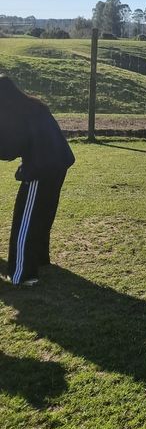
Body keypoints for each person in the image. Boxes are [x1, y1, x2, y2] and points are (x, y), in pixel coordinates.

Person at [0, 75, 75, 287]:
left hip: (41, 169)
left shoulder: (16, 115)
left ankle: (22, 274)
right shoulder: (33, 106)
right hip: (58, 165)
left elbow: (9, 149)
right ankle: (40, 260)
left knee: (24, 221)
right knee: (41, 215)